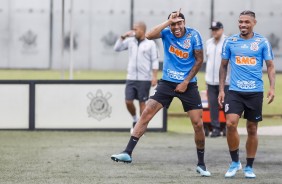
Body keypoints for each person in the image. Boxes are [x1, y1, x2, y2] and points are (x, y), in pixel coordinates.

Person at [111, 9, 211, 177]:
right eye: (173, 24)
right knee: (147, 112)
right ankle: (127, 153)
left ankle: (201, 164)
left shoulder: (194, 35)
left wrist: (185, 82)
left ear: (184, 23)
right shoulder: (166, 32)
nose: (176, 27)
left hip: (189, 83)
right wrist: (168, 22)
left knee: (198, 124)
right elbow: (149, 35)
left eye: (179, 23)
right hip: (167, 82)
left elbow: (199, 60)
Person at [218, 10, 275, 178]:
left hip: (255, 92)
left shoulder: (262, 42)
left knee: (252, 129)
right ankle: (235, 162)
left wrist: (272, 88)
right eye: (241, 21)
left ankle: (249, 167)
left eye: (247, 22)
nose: (243, 24)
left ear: (254, 23)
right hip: (234, 91)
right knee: (230, 124)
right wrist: (222, 89)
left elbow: (270, 66)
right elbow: (223, 66)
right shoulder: (230, 41)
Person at [114, 21, 159, 133]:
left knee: (142, 104)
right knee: (128, 101)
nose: (134, 31)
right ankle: (135, 120)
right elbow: (117, 48)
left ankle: (140, 127)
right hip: (131, 78)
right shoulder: (130, 41)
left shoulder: (150, 44)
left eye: (136, 29)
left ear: (142, 31)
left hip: (144, 79)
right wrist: (123, 37)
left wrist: (154, 77)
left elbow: (155, 61)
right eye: (133, 29)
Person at [205, 21, 229, 137]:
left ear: (222, 29)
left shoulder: (227, 42)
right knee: (213, 106)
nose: (214, 32)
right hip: (211, 81)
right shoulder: (208, 43)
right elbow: (208, 61)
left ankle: (227, 127)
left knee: (227, 105)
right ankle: (215, 128)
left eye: (216, 29)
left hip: (225, 81)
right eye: (213, 30)